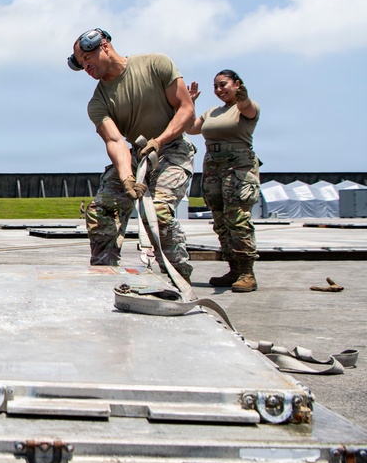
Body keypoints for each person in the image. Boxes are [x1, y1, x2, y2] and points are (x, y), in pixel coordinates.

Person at [68, 28, 196, 280]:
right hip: (136, 156)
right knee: (102, 209)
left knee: (157, 211)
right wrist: (127, 177)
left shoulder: (156, 64)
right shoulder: (98, 102)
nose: (86, 67)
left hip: (171, 150)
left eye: (87, 58)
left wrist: (159, 141)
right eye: (81, 64)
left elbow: (186, 109)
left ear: (104, 46)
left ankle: (178, 279)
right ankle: (105, 275)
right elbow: (115, 141)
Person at [186, 71, 260, 292]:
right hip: (213, 168)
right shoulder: (212, 112)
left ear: (237, 84)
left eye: (223, 85)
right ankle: (234, 270)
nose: (219, 90)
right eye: (215, 86)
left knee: (237, 219)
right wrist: (190, 104)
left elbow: (248, 107)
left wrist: (242, 97)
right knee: (220, 221)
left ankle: (247, 273)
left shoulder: (245, 108)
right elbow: (191, 128)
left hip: (238, 167)